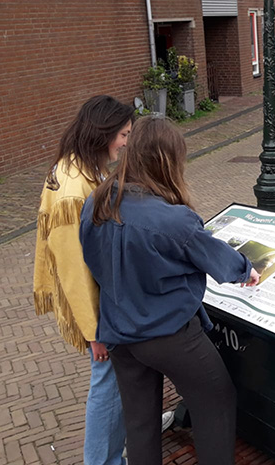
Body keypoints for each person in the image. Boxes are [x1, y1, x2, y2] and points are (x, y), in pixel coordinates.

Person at [80, 116, 260, 465]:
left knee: (140, 422)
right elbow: (216, 258)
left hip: (119, 331)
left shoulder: (96, 204)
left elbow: (92, 261)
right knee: (216, 400)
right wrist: (246, 270)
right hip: (169, 335)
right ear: (166, 161)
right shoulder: (171, 219)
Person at [33, 96, 173, 465]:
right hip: (99, 312)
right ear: (103, 133)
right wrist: (94, 332)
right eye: (123, 134)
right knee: (107, 385)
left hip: (105, 302)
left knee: (113, 382)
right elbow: (72, 269)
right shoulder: (71, 189)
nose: (127, 142)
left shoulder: (77, 168)